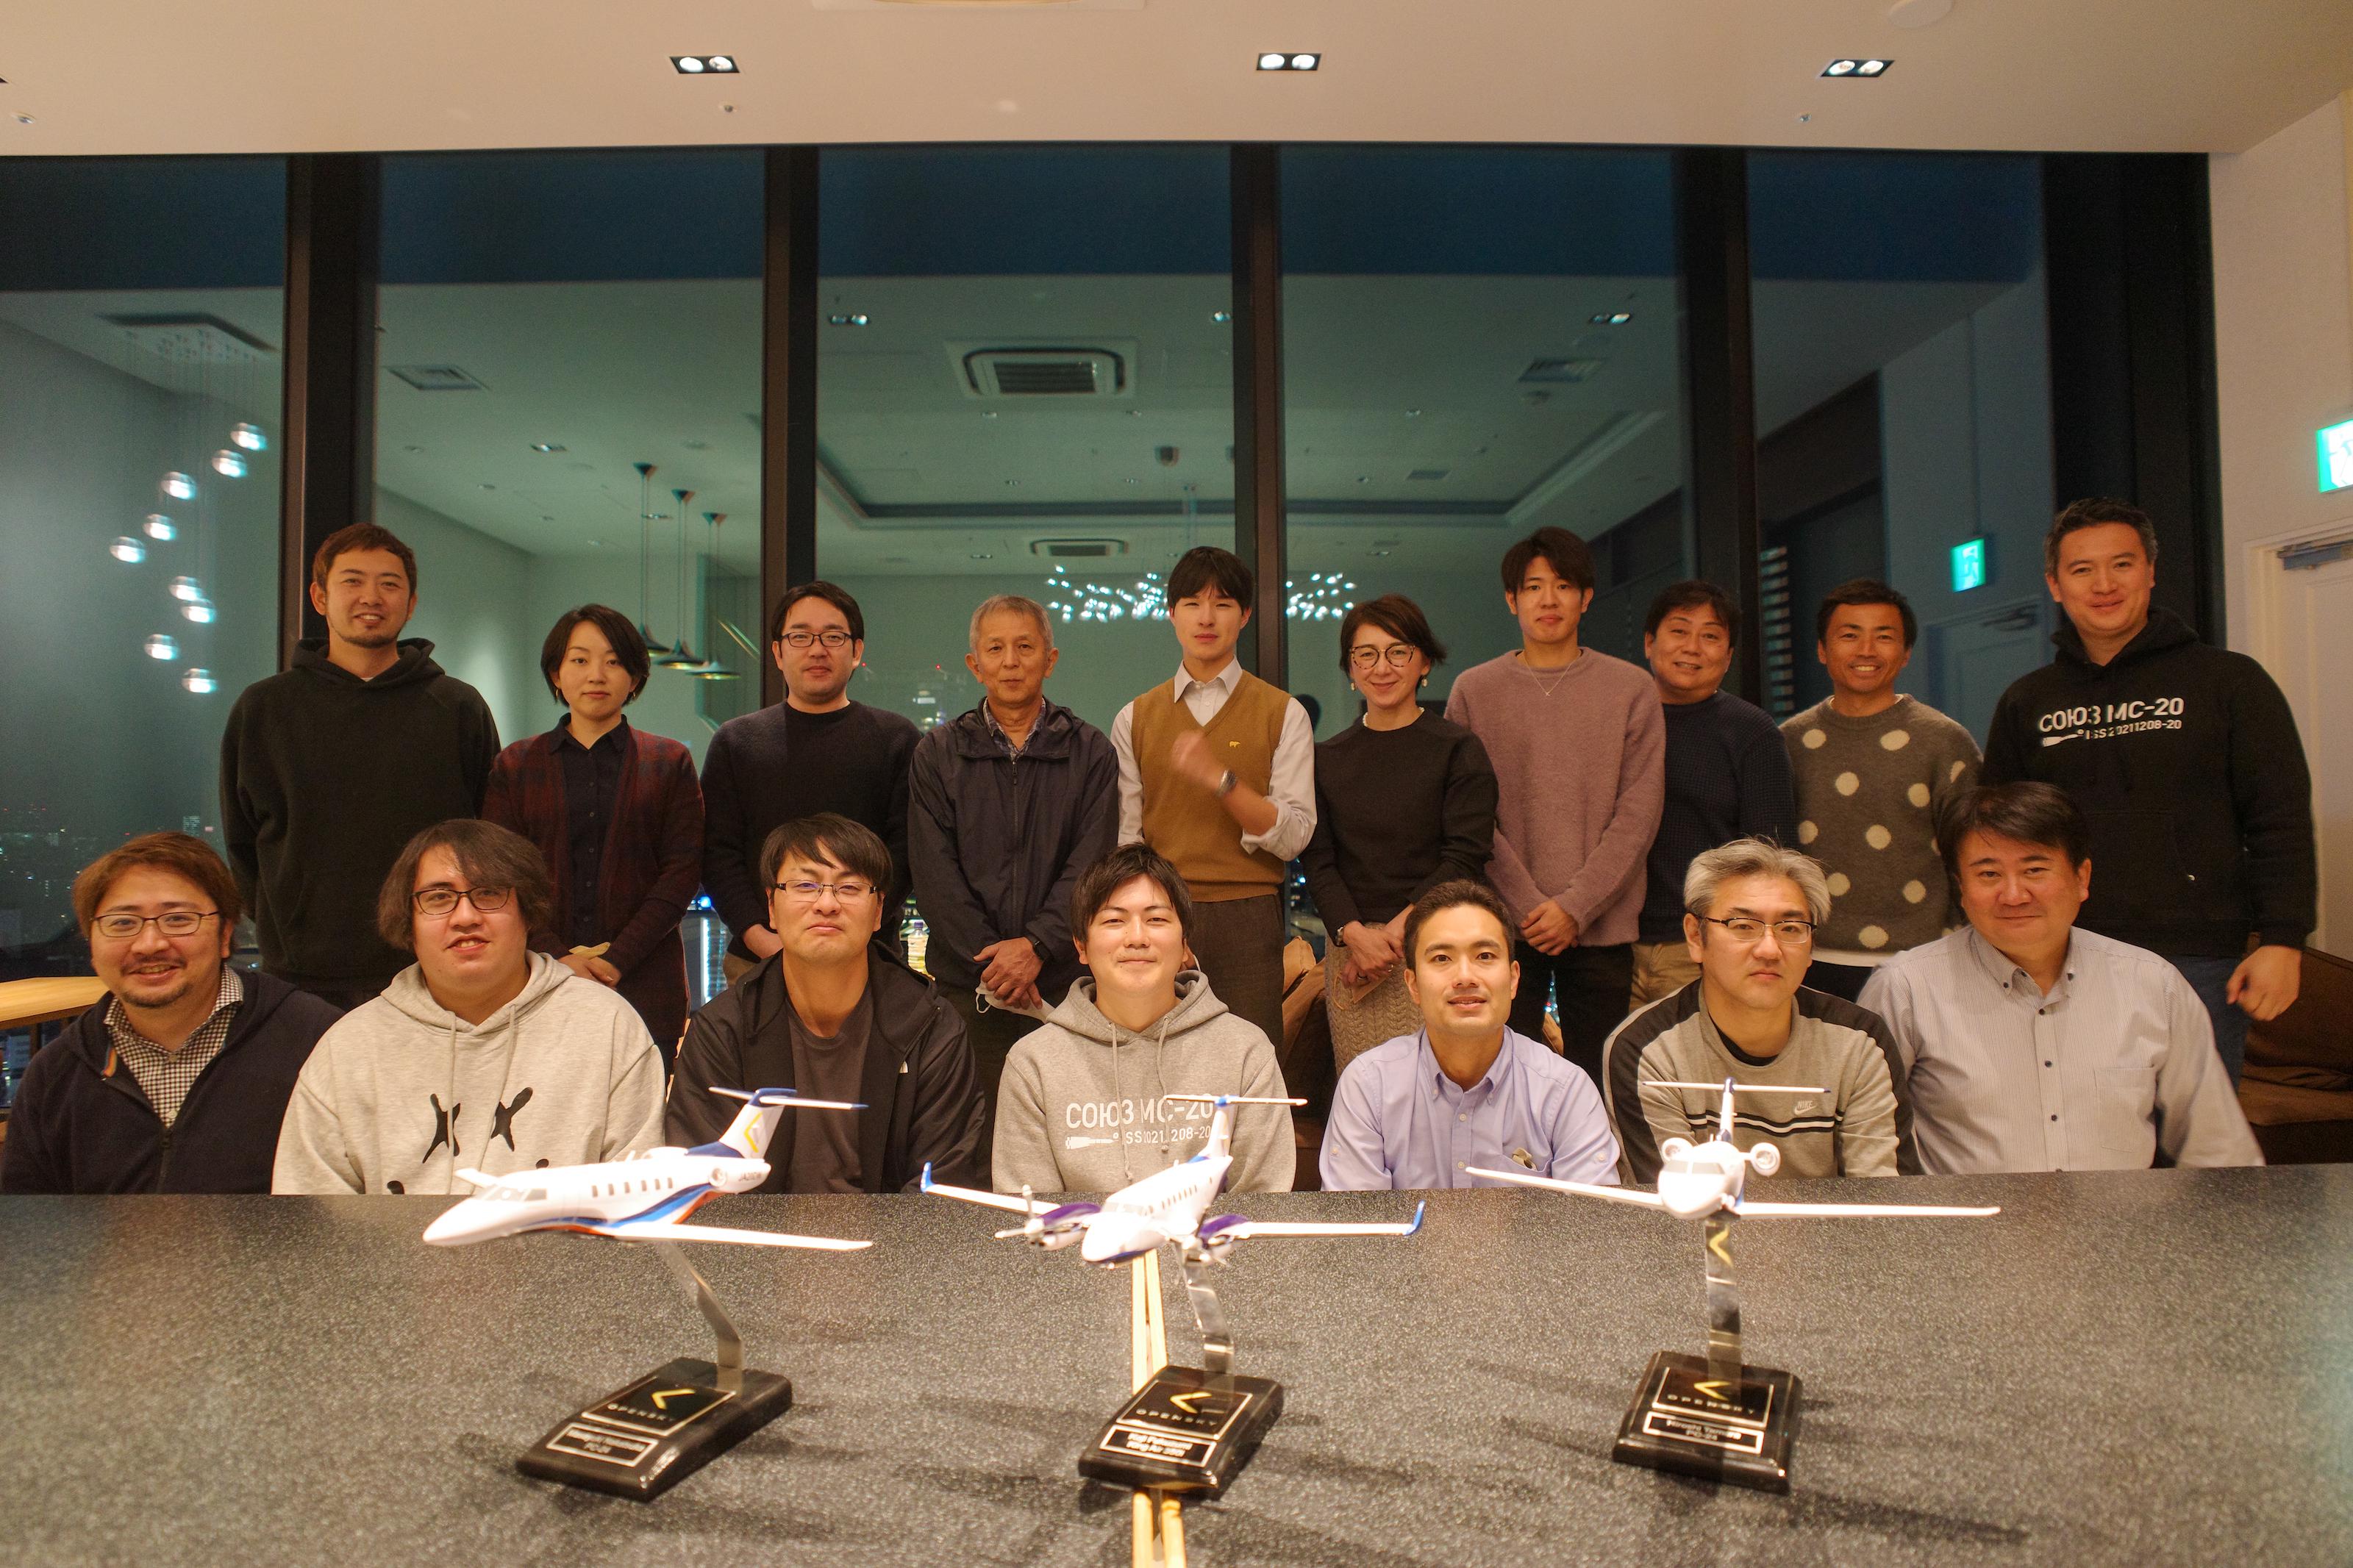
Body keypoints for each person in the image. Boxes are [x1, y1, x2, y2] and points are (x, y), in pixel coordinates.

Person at [1982, 498, 2316, 1085]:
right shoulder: (2027, 701)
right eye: (2082, 569)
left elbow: (2279, 819)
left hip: (2198, 956)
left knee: (2196, 1132)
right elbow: (1998, 835)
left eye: (2122, 564)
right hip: (2062, 952)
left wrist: (2284, 940)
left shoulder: (2230, 682)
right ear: (2056, 584)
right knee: (2070, 1124)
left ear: (2151, 571)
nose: (2104, 584)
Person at [1860, 783, 2262, 1172]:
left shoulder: (2154, 984)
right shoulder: (1905, 988)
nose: (2014, 895)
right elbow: (1865, 1147)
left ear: (2082, 878)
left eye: (2035, 870)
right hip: (1967, 1219)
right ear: (1961, 888)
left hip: (2118, 1218)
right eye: (1989, 874)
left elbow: (2218, 1149)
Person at [272, 820, 666, 1195]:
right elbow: (310, 1217)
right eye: (438, 898)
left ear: (527, 913)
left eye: (489, 894)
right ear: (408, 923)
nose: (465, 917)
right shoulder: (348, 1048)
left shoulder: (606, 1026)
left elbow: (638, 1201)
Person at [221, 523, 500, 1009]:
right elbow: (243, 841)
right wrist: (286, 919)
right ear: (319, 597)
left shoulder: (457, 706)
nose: (371, 597)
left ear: (411, 603)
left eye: (389, 584)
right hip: (303, 974)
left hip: (435, 967)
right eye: (352, 581)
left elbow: (488, 833)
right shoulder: (265, 708)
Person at [1, 834, 340, 1193]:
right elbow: (27, 1219)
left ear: (225, 934)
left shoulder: (318, 1041)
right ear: (92, 944)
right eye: (122, 923)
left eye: (178, 919)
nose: (150, 944)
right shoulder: (56, 1073)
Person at [1443, 526, 1664, 1079]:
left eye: (1563, 586)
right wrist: (1529, 907)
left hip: (1602, 926)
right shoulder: (1475, 690)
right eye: (1534, 587)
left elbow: (1639, 811)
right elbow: (1466, 813)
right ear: (1511, 599)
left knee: (1598, 1080)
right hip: (1501, 926)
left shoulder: (1631, 688)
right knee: (1499, 1078)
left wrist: (1575, 907)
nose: (1549, 599)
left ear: (1586, 598)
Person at [667, 815, 986, 1192]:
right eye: (805, 885)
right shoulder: (724, 1028)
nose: (827, 904)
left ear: (879, 911)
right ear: (771, 907)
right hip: (755, 1232)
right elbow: (702, 1184)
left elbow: (944, 1186)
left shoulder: (930, 1025)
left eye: (849, 887)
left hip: (897, 1232)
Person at [908, 595, 1117, 1159]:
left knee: (1073, 1142)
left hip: (1064, 985)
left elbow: (1092, 863)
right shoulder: (938, 753)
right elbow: (933, 872)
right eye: (995, 648)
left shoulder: (1091, 751)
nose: (1011, 660)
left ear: (1050, 658)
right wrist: (995, 961)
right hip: (969, 989)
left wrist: (1038, 946)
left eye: (1025, 646)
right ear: (974, 664)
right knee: (971, 1146)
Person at [1601, 839, 1915, 1185]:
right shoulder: (1646, 1050)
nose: (1769, 949)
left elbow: (1884, 1199)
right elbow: (1677, 1200)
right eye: (1743, 926)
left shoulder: (1860, 1042)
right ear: (1695, 937)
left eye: (1791, 928)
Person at [994, 844, 1293, 1194]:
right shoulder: (1033, 1063)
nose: (1137, 938)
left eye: (1156, 920)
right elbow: (1030, 1212)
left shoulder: (1245, 1052)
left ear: (1185, 944)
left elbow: (1263, 1203)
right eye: (1114, 921)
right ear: (1081, 946)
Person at [1110, 545, 1316, 1050]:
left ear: (1244, 615)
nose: (1206, 618)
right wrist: (1153, 918)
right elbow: (1128, 841)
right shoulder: (1135, 717)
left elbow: (1294, 835)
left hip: (1249, 914)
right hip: (1161, 912)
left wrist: (1220, 780)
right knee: (1154, 1059)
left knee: (1250, 1064)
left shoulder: (1282, 713)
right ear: (1171, 614)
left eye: (1222, 604)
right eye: (1192, 604)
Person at [482, 605, 704, 1063]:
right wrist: (557, 958)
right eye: (579, 660)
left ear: (635, 678)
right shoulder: (516, 766)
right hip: (534, 977)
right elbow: (499, 875)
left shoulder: (668, 762)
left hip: (645, 980)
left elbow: (683, 872)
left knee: (643, 1101)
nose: (596, 675)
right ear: (556, 674)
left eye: (614, 661)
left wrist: (617, 959)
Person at [1299, 595, 1497, 1077]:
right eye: (1366, 654)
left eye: (1398, 651)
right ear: (1350, 667)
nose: (1381, 667)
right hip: (1353, 955)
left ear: (1424, 662)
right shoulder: (1326, 758)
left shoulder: (1458, 749)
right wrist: (1353, 935)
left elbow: (1465, 855)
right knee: (1364, 1091)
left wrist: (1391, 937)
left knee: (1450, 1087)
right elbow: (1319, 862)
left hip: (1440, 947)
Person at [1319, 880, 1618, 1192]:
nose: (1465, 977)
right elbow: (1355, 1220)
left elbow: (1592, 1218)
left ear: (1513, 979)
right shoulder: (1369, 1086)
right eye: (1442, 959)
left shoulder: (1565, 1091)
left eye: (1485, 956)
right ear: (1413, 985)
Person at [700, 581, 921, 987]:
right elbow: (718, 854)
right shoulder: (736, 742)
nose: (817, 650)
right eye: (800, 637)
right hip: (759, 961)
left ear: (856, 651)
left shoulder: (897, 739)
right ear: (778, 653)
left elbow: (906, 854)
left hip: (871, 961)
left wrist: (854, 934)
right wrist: (761, 938)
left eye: (833, 637)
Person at [1779, 580, 1979, 1003]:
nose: (1867, 650)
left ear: (1905, 653)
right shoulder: (1788, 742)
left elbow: (1973, 851)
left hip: (1926, 959)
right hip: (1809, 958)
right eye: (1850, 635)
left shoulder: (1945, 741)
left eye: (1884, 637)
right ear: (1822, 650)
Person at [1632, 580, 1798, 1009]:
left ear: (1728, 657)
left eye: (1710, 636)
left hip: (1699, 945)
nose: (1692, 647)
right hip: (1611, 943)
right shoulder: (1619, 721)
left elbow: (1770, 856)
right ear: (1649, 643)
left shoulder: (1752, 732)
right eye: (1679, 631)